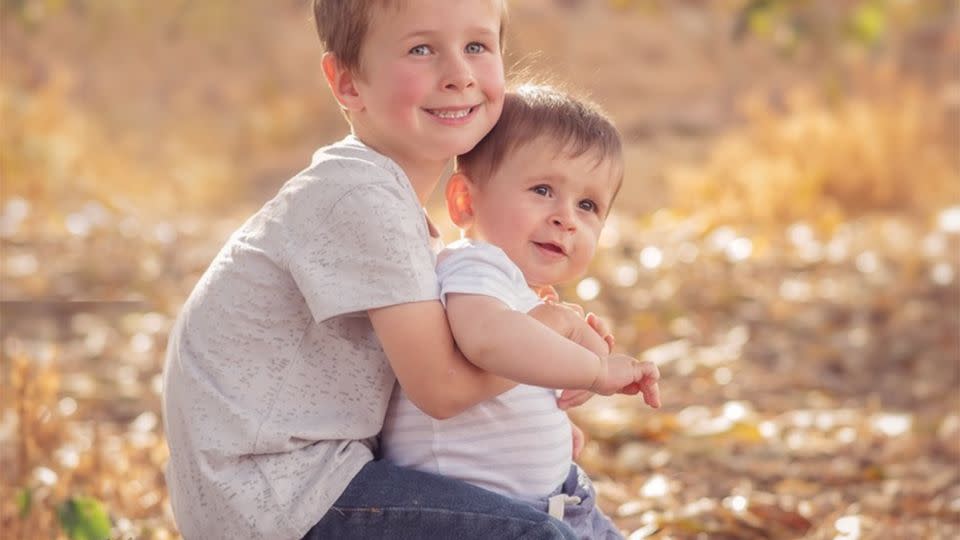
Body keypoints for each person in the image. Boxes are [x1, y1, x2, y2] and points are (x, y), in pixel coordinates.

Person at [162, 1, 653, 538]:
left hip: (306, 479)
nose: (459, 75)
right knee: (537, 533)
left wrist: (534, 402)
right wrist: (554, 333)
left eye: (477, 47)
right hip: (277, 495)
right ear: (348, 82)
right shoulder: (361, 198)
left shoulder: (389, 204)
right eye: (421, 49)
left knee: (563, 500)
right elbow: (441, 387)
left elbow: (441, 362)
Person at [381, 85, 659, 540]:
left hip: (551, 504)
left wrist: (549, 420)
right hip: (474, 518)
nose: (566, 217)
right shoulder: (476, 262)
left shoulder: (517, 289)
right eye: (543, 189)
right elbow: (488, 339)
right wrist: (593, 370)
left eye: (588, 205)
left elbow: (503, 383)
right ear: (466, 203)